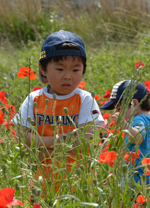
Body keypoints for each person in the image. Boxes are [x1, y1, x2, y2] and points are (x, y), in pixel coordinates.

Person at [12, 30, 104, 182]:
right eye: (60, 69)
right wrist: (56, 141)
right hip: (39, 181)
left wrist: (40, 150)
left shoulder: (85, 99)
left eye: (75, 70)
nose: (68, 76)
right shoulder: (33, 99)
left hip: (76, 181)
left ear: (83, 70)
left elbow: (83, 140)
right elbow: (21, 136)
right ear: (43, 69)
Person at [100, 80, 150, 188]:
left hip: (136, 179)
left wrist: (123, 124)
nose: (115, 113)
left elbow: (138, 138)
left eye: (119, 109)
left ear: (135, 104)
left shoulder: (138, 120)